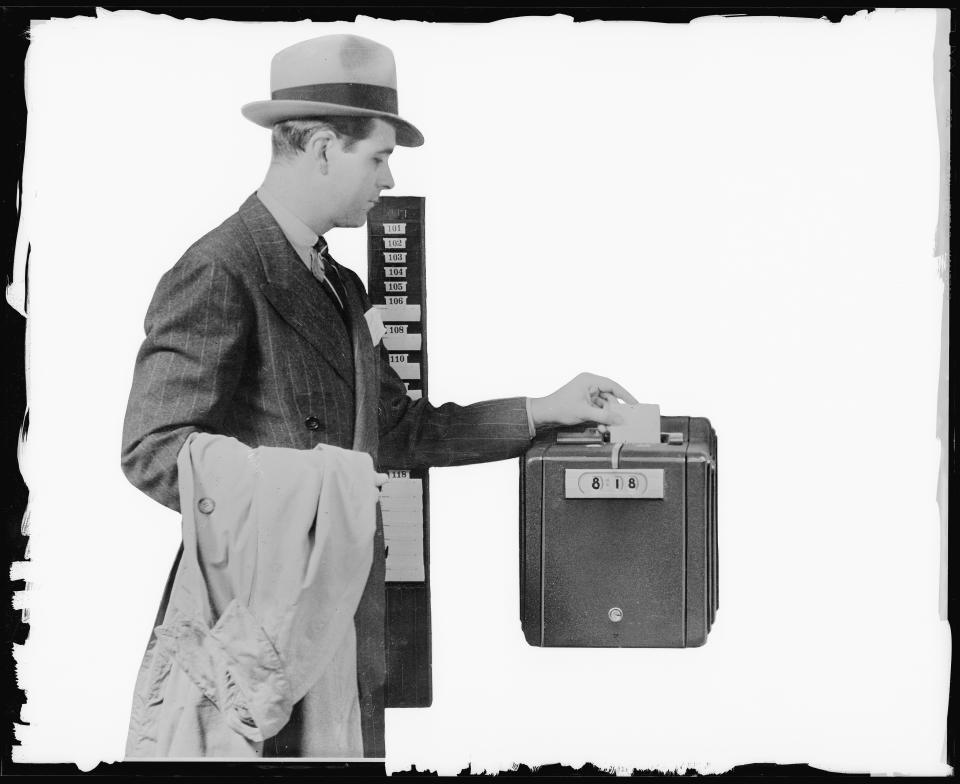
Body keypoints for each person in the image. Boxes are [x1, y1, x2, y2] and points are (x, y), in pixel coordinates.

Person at [120, 33, 636, 758]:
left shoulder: (340, 284)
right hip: (259, 630)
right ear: (325, 147)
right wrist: (312, 497)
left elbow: (398, 431)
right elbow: (152, 451)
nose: (389, 179)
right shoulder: (220, 269)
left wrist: (540, 412)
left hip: (348, 618)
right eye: (380, 155)